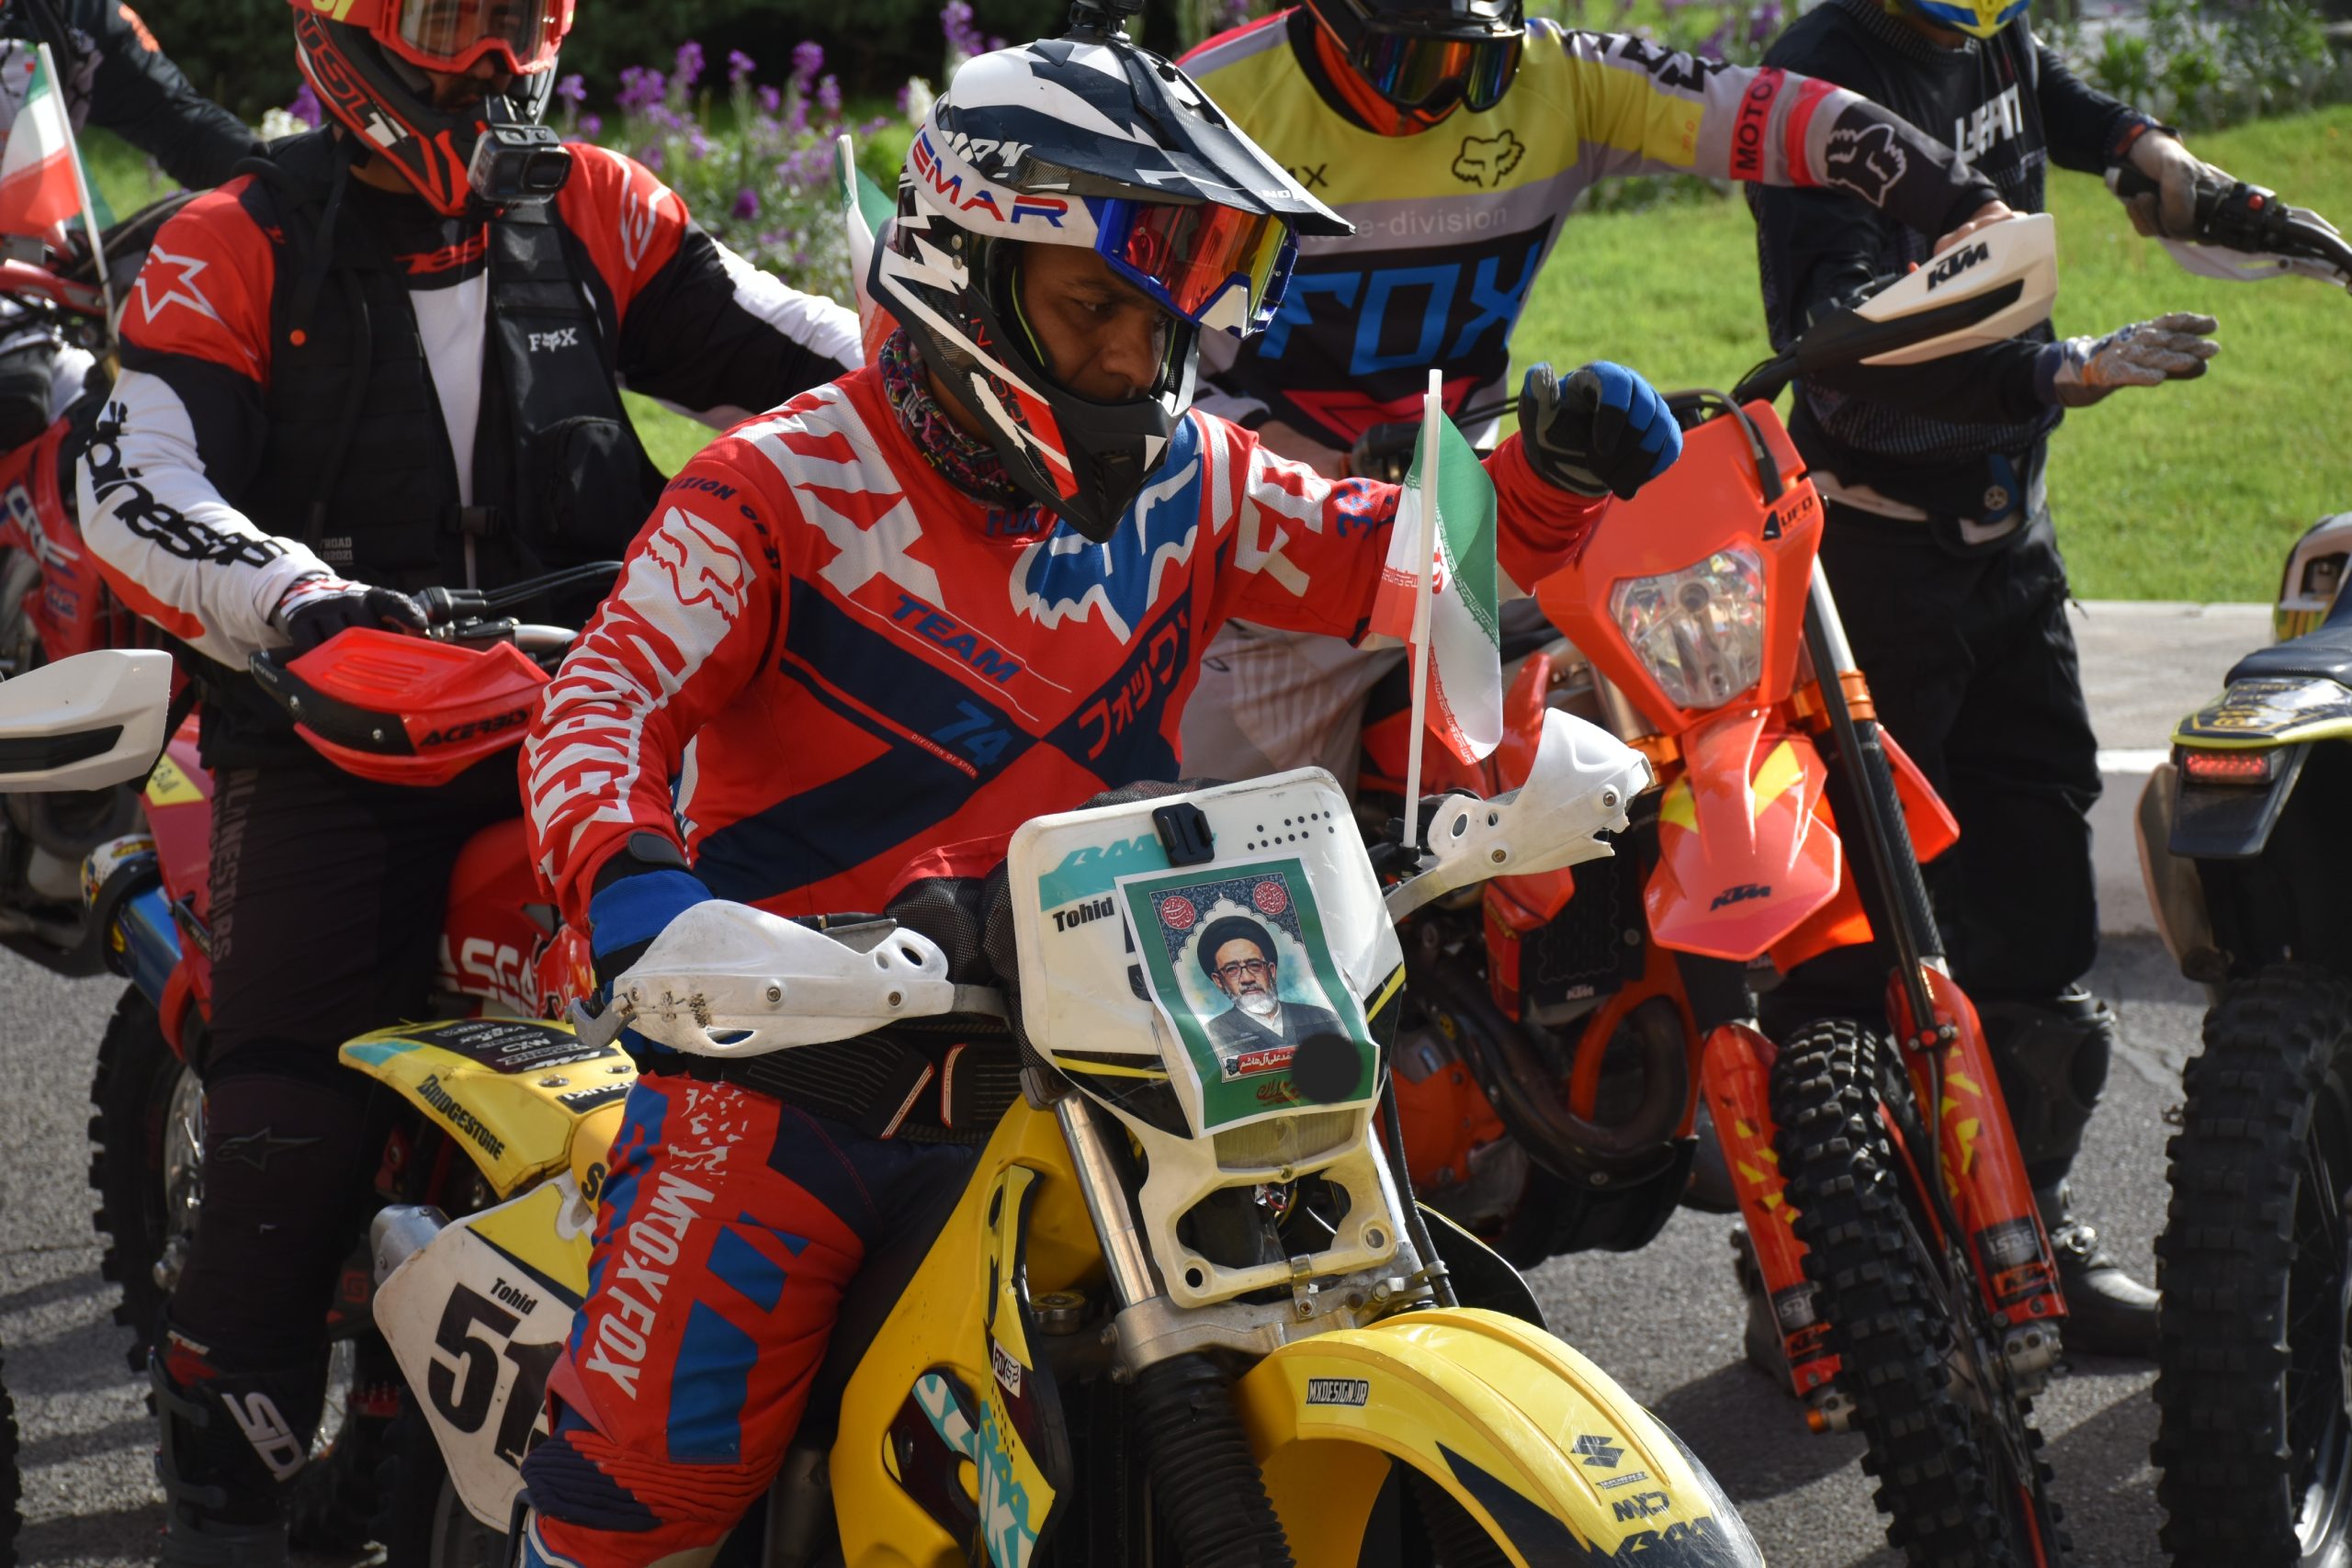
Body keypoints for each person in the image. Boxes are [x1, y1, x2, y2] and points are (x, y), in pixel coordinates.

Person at [509, 22, 1685, 1564]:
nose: (1138, 360)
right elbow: (602, 698)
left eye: (1168, 313)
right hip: (804, 1084)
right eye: (1093, 310)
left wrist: (1542, 482)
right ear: (962, 271)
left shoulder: (1199, 477)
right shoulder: (774, 488)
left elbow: (1400, 563)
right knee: (643, 1494)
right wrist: (641, 895)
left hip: (1136, 1071)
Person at [75, 0, 859, 1556]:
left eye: (520, 19)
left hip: (604, 710)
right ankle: (224, 1493)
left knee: (834, 1000)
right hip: (336, 740)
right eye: (451, 21)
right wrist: (297, 598)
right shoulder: (235, 242)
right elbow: (134, 473)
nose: (495, 62)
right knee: (290, 1120)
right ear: (343, 31)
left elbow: (833, 368)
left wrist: (1008, 399)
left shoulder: (600, 205)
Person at [1745, 0, 2246, 1358]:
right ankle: (1835, 1275)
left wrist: (2136, 144)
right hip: (1872, 563)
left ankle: (2031, 1234)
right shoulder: (1815, 91)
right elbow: (1844, 368)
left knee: (2036, 892)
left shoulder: (1987, 30)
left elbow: (2041, 92)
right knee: (1862, 926)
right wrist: (2056, 371)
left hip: (2008, 540)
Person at [1172, 0, 2019, 784]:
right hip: (1282, 555)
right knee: (1248, 864)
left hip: (1483, 526)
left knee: (1660, 744)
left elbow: (1774, 113)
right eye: (1413, 64)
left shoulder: (1563, 78)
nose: (1446, 102)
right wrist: (1289, 458)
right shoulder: (1210, 103)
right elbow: (1138, 355)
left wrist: (1963, 202)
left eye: (1479, 65)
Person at [0, 0, 261, 448]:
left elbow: (183, 125)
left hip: (27, 306)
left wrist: (295, 182)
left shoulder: (70, 13)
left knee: (123, 442)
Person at [1199, 913, 1346, 1055]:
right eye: (1232, 969)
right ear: (1219, 981)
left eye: (1254, 965)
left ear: (1271, 971)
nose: (1247, 978)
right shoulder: (1213, 1033)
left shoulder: (1322, 1018)